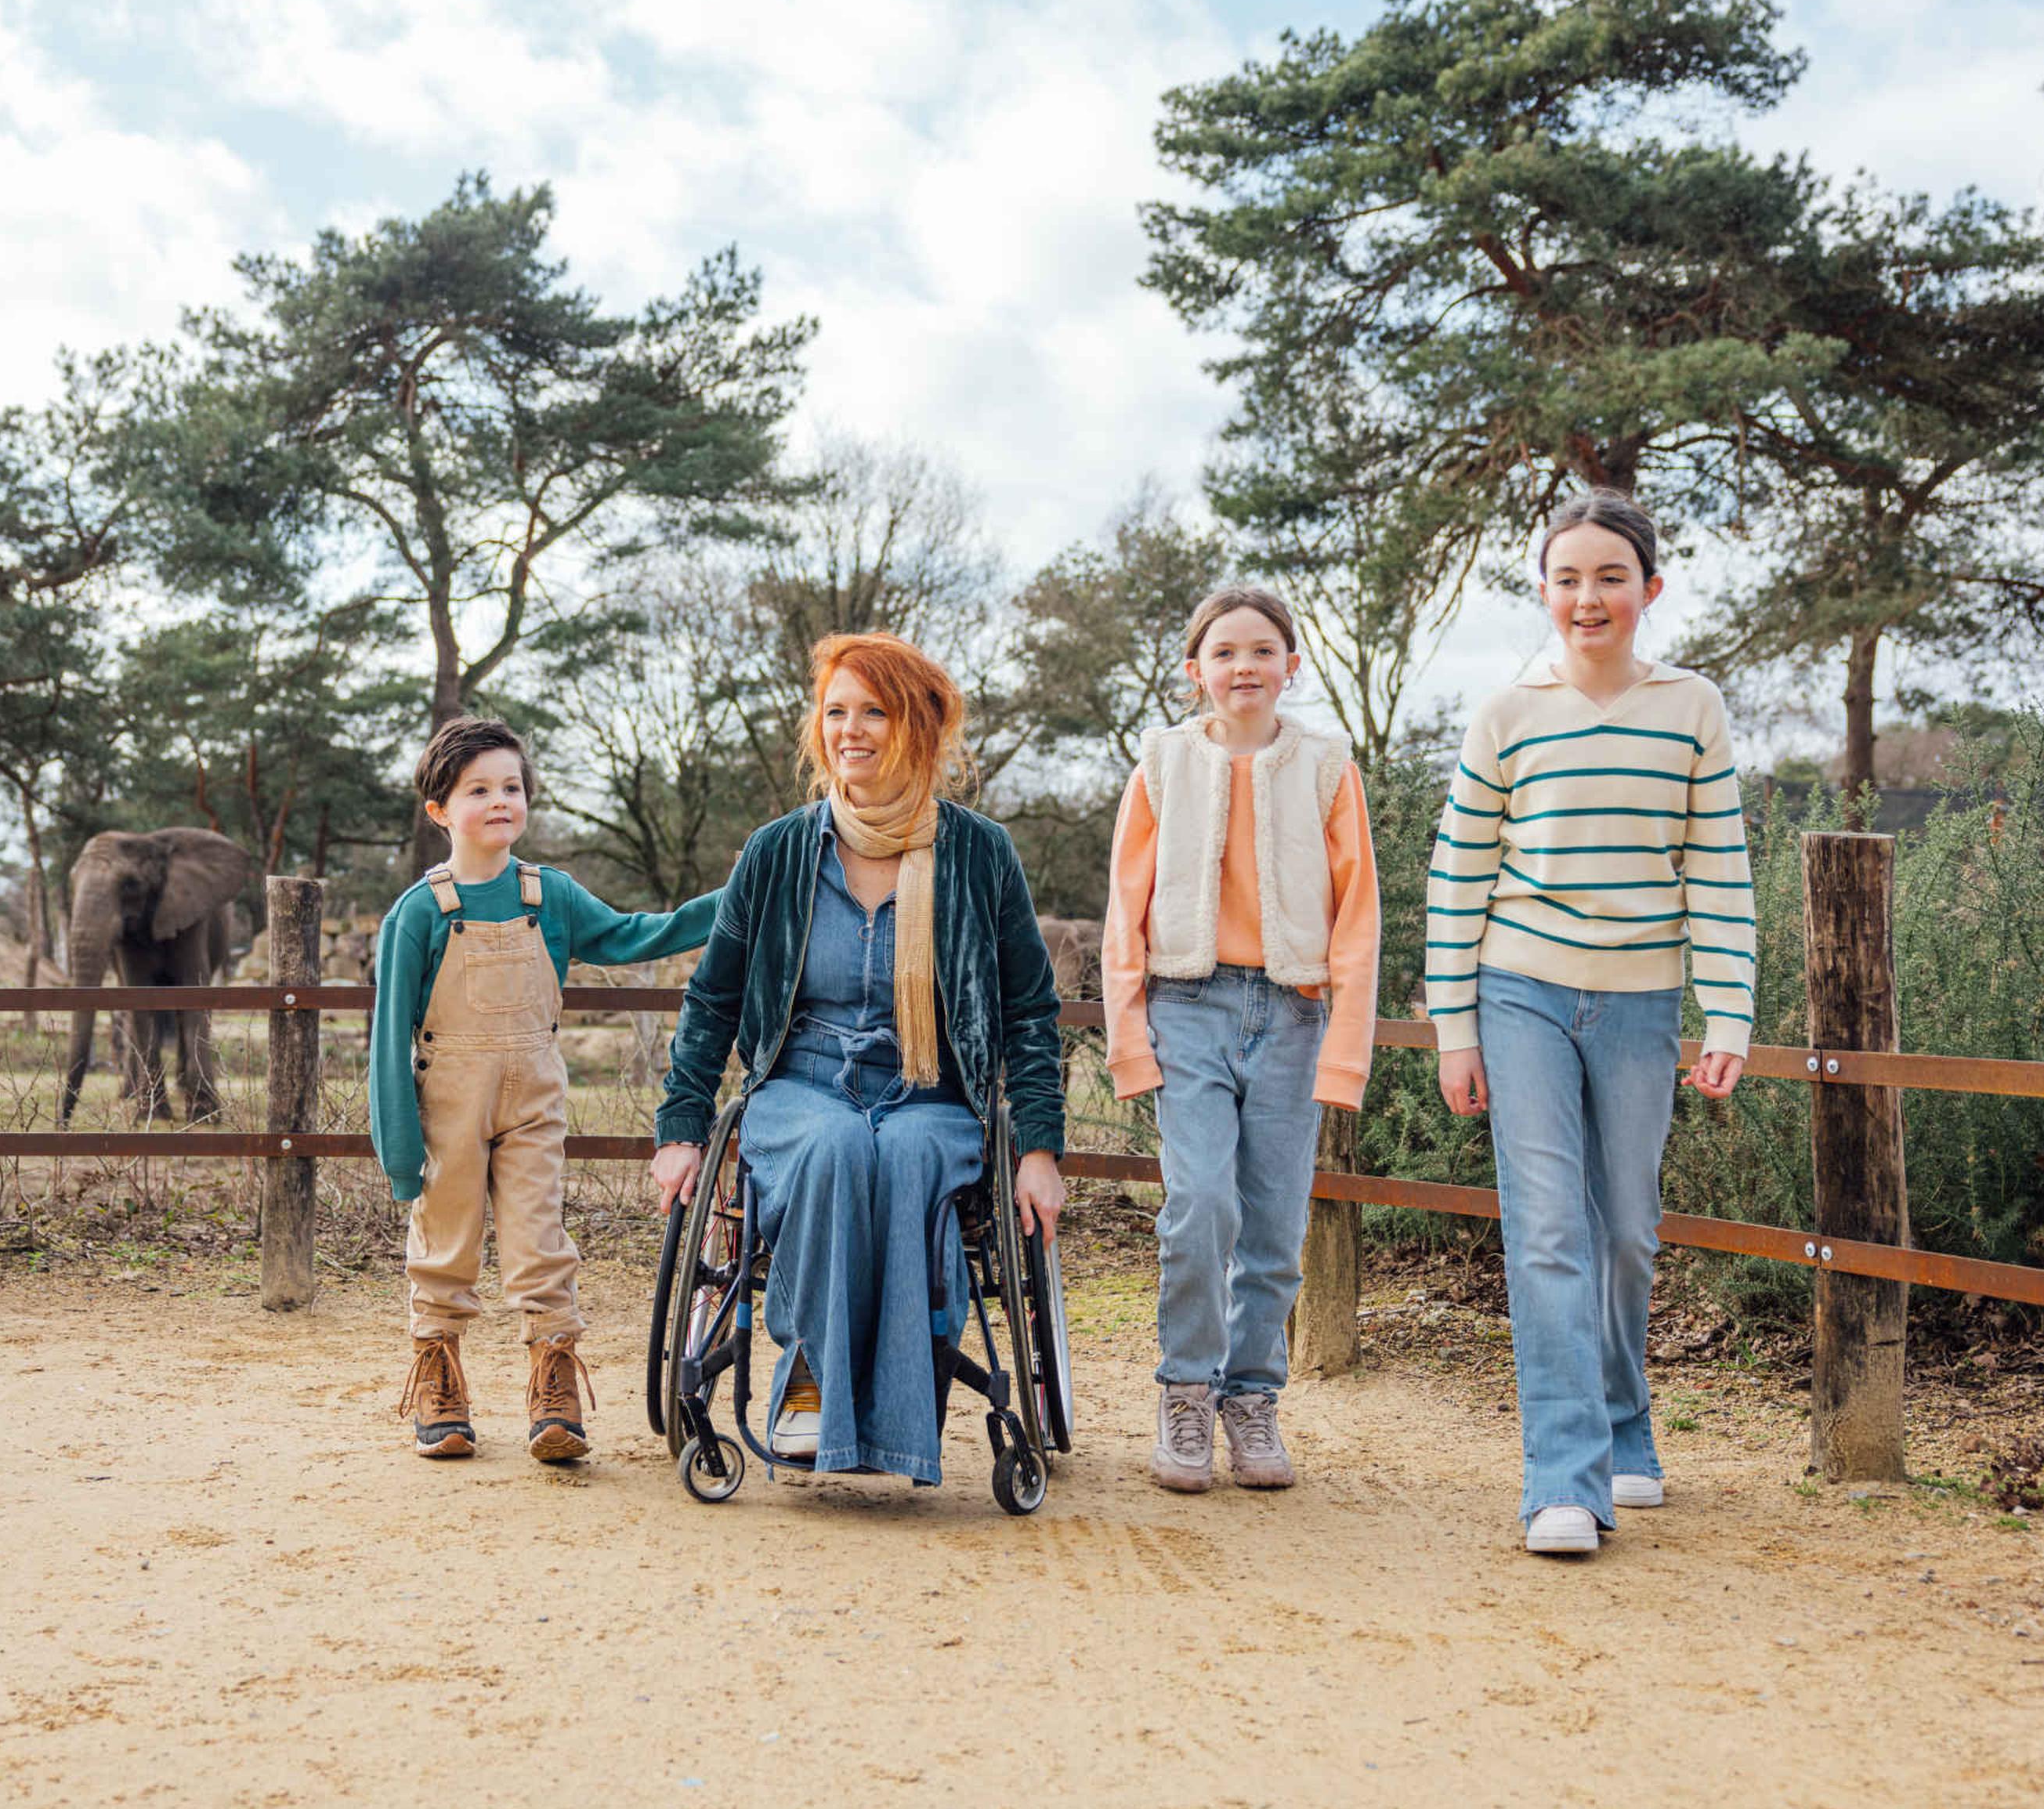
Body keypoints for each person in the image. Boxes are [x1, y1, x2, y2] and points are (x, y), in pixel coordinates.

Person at [651, 633, 1065, 1485]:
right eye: (836, 712)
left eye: (874, 711)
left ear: (920, 726)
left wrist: (1038, 1149)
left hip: (931, 1091)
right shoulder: (777, 853)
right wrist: (682, 1128)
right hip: (802, 1085)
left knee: (907, 1157)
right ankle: (810, 1389)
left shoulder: (980, 854)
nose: (851, 730)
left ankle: (896, 1428)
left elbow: (1029, 1011)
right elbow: (713, 1000)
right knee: (836, 1148)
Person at [1425, 494, 1756, 1554]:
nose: (1588, 597)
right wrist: (1454, 1028)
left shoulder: (1692, 707)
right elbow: (1459, 877)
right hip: (1518, 989)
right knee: (1549, 1232)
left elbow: (1718, 868)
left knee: (1624, 1230)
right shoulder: (1505, 714)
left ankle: (1623, 1429)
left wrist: (1730, 1011)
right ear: (1544, 592)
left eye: (1610, 576)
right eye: (1567, 578)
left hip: (1641, 999)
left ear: (1648, 589)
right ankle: (1562, 1480)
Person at [371, 715, 719, 1465]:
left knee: (541, 1240)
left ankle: (553, 1382)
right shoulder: (419, 913)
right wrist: (400, 1154)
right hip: (448, 1106)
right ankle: (439, 1380)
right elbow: (387, 1043)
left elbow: (633, 936)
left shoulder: (548, 894)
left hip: (534, 1100)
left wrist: (736, 899)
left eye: (512, 787)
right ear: (438, 811)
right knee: (446, 1242)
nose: (500, 801)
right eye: (478, 791)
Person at [1102, 587, 1378, 1494]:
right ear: (1196, 671)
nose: (1244, 666)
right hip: (1188, 1007)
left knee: (1275, 1225)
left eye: (1263, 650)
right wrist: (1129, 1039)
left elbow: (1359, 917)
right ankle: (1186, 1390)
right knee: (1200, 1205)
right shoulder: (1161, 764)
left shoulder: (1328, 768)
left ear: (1292, 666)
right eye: (1224, 653)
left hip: (1292, 1016)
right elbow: (1125, 911)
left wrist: (1344, 1050)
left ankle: (1252, 1397)